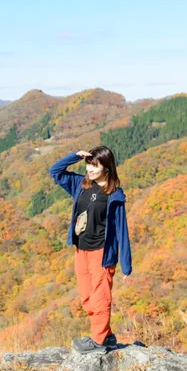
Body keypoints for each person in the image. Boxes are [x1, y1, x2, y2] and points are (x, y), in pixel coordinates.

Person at [49, 146, 132, 353]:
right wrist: (75, 156)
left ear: (107, 168)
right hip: (81, 250)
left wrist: (126, 266)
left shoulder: (115, 196)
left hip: (102, 254)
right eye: (89, 165)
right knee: (86, 298)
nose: (90, 170)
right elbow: (55, 171)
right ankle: (108, 336)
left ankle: (98, 342)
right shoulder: (81, 185)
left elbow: (122, 230)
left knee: (100, 298)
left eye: (95, 166)